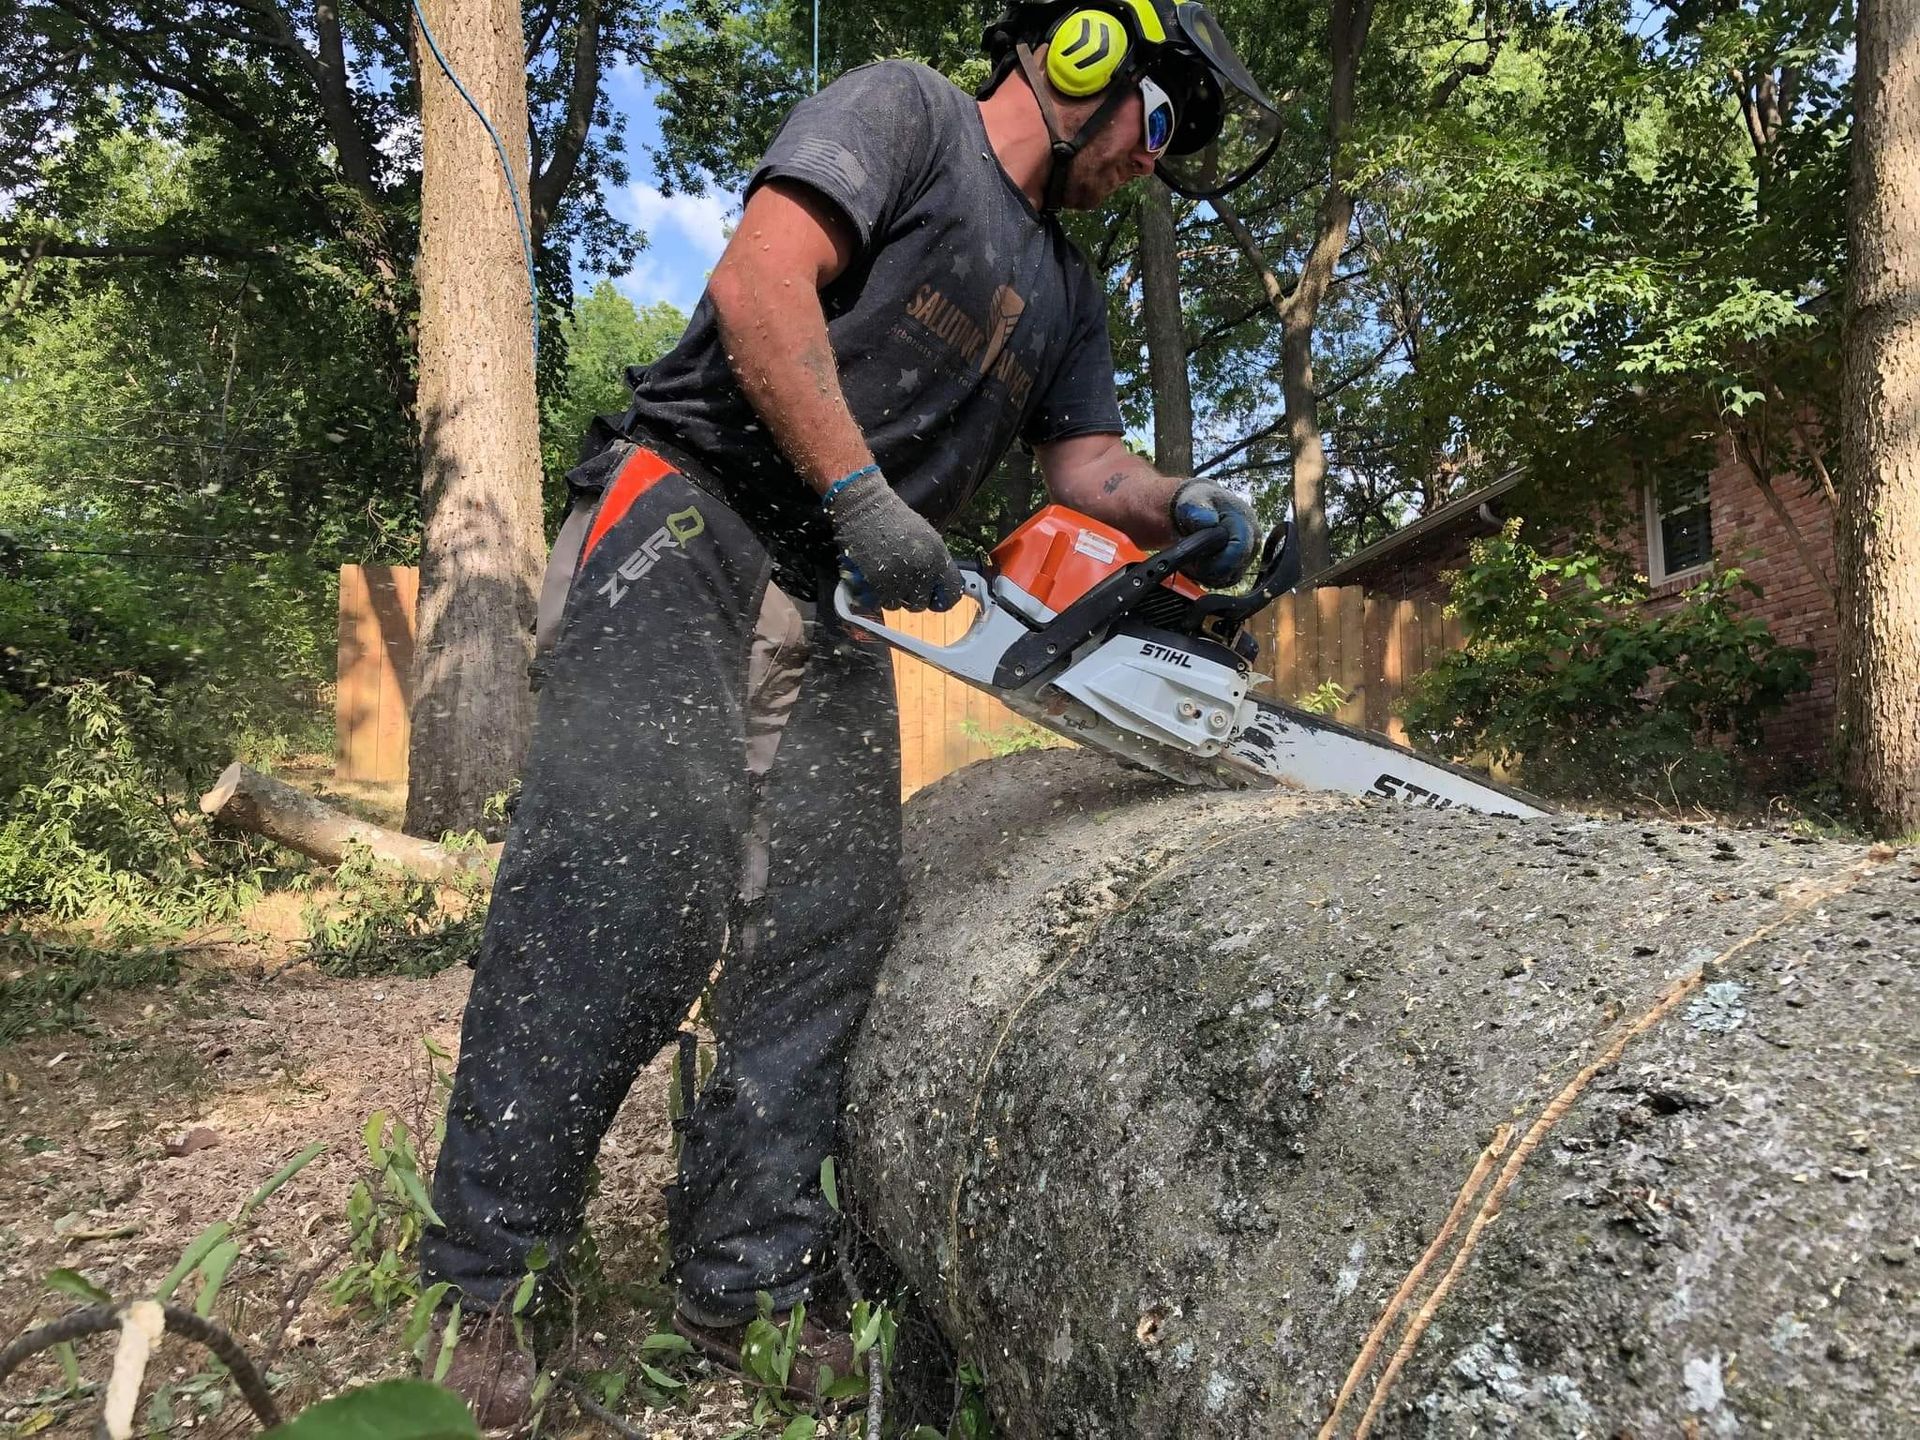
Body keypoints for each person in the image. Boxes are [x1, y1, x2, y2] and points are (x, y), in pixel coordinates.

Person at [421, 0, 1281, 1425]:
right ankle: (480, 1282)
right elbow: (765, 283)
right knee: (619, 882)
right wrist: (862, 494)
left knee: (826, 924)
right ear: (1080, 59)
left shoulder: (1065, 287)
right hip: (691, 510)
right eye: (1164, 120)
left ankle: (743, 1281)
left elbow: (1084, 465)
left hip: (843, 590)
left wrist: (1182, 506)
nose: (1155, 158)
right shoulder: (904, 115)